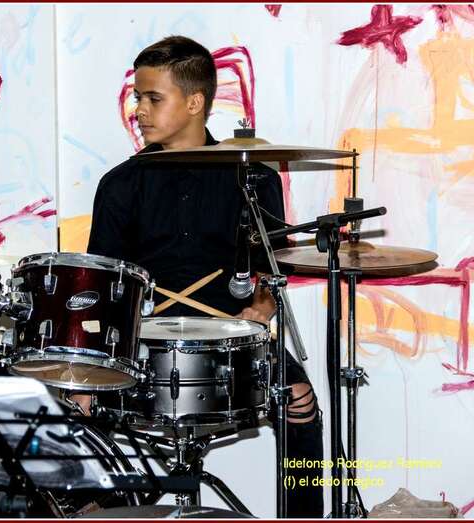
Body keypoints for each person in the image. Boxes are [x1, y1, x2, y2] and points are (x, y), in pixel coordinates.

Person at [83, 35, 324, 518]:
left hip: (233, 339)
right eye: (138, 97)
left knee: (300, 404)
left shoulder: (253, 179)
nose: (139, 110)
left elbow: (268, 274)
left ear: (195, 103)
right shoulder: (119, 185)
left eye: (153, 98)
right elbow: (103, 286)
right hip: (143, 344)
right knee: (77, 413)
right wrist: (88, 371)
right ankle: (101, 509)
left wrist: (261, 309)